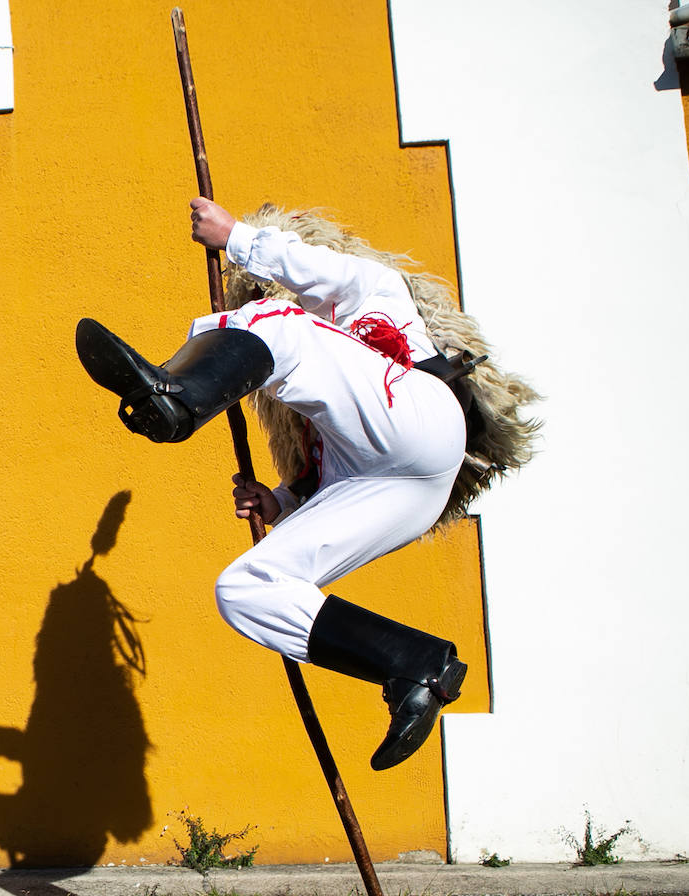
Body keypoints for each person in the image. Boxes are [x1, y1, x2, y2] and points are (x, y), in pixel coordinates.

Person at [75, 197, 528, 770]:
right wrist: (282, 500)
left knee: (276, 324)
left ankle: (176, 400)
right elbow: (325, 479)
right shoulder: (328, 382)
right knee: (247, 589)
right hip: (394, 492)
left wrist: (235, 237)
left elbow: (313, 272)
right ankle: (417, 666)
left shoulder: (377, 293)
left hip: (421, 419)